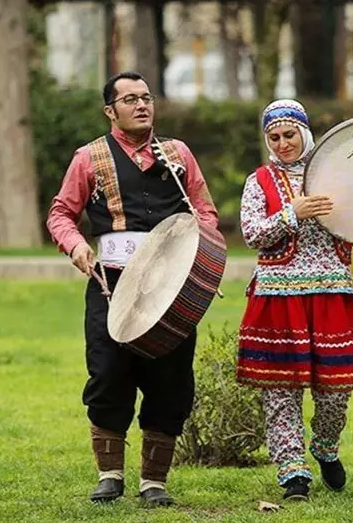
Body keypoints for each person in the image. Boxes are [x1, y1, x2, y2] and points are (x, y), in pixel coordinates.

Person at [46, 71, 223, 507]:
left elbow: (203, 208)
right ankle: (110, 475)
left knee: (171, 381)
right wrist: (77, 248)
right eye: (129, 100)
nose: (142, 105)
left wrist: (199, 245)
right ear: (110, 111)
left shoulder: (178, 154)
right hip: (112, 284)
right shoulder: (88, 158)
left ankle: (154, 483)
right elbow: (60, 214)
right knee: (108, 374)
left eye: (146, 97)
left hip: (172, 286)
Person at [236, 99, 353, 501]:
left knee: (336, 391)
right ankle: (293, 475)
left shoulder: (336, 178)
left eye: (290, 135)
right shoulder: (259, 182)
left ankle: (325, 446)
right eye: (275, 137)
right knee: (281, 391)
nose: (283, 143)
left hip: (332, 294)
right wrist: (293, 212)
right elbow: (251, 233)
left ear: (304, 133)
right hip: (278, 299)